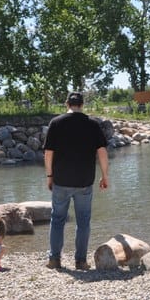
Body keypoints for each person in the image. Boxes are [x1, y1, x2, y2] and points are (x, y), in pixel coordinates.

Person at [43, 92, 109, 270]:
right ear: (82, 104)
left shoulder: (56, 123)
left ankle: (54, 259)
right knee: (83, 222)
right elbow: (102, 152)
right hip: (84, 182)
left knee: (57, 220)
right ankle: (80, 261)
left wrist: (49, 176)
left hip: (61, 180)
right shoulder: (92, 125)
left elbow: (48, 153)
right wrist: (105, 175)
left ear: (67, 104)